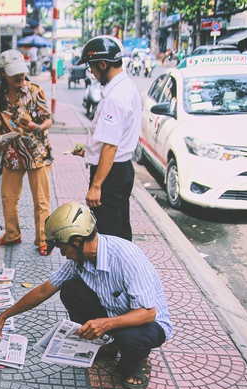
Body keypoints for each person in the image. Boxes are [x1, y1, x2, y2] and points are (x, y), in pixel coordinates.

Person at [0, 202, 172, 389]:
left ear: (79, 241)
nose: (63, 254)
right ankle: (107, 345)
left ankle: (141, 361)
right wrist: (3, 316)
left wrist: (104, 324)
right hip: (112, 314)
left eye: (63, 248)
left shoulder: (126, 258)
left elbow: (148, 313)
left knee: (130, 341)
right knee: (70, 289)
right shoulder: (80, 260)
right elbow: (44, 290)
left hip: (147, 323)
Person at [72, 36, 141, 241]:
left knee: (108, 234)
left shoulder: (114, 97)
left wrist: (96, 186)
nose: (91, 73)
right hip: (121, 169)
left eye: (92, 67)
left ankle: (113, 272)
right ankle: (123, 271)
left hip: (111, 174)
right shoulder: (126, 86)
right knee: (120, 227)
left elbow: (111, 146)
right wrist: (90, 151)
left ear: (103, 64)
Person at [0, 49, 54, 255]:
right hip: (12, 154)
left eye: (21, 72)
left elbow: (48, 119)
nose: (20, 76)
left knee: (41, 200)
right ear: (3, 74)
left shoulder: (35, 90)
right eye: (14, 73)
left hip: (37, 153)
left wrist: (35, 128)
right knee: (8, 197)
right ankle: (12, 234)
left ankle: (43, 239)